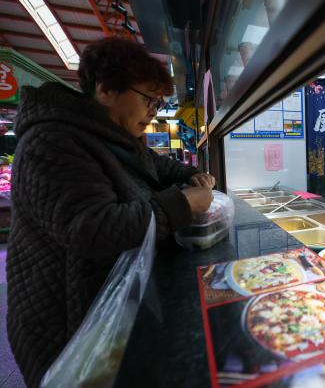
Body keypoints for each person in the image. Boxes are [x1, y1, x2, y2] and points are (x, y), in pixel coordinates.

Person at [7, 37, 215, 387]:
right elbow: (93, 229)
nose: (154, 110)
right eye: (148, 99)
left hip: (104, 309)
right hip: (67, 324)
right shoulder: (51, 141)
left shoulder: (111, 134)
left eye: (159, 101)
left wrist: (191, 175)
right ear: (105, 90)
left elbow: (155, 165)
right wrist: (183, 204)